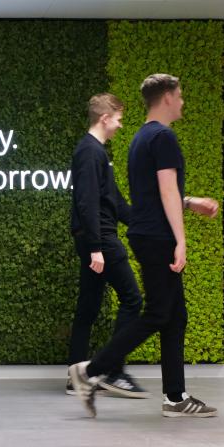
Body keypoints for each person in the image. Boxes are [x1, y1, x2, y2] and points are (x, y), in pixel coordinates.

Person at [69, 73, 219, 418]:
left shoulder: (140, 139)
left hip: (144, 231)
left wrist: (190, 201)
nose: (182, 103)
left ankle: (176, 396)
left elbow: (150, 197)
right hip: (157, 237)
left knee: (174, 315)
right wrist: (181, 239)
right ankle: (90, 371)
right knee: (156, 312)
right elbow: (165, 191)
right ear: (166, 97)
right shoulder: (163, 137)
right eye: (179, 96)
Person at [67, 93, 147, 398]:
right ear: (105, 118)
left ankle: (78, 376)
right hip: (99, 239)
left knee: (87, 307)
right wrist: (97, 247)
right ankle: (112, 370)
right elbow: (86, 202)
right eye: (118, 119)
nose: (120, 125)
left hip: (95, 238)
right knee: (132, 299)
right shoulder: (89, 152)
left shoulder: (96, 152)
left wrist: (144, 222)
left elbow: (115, 203)